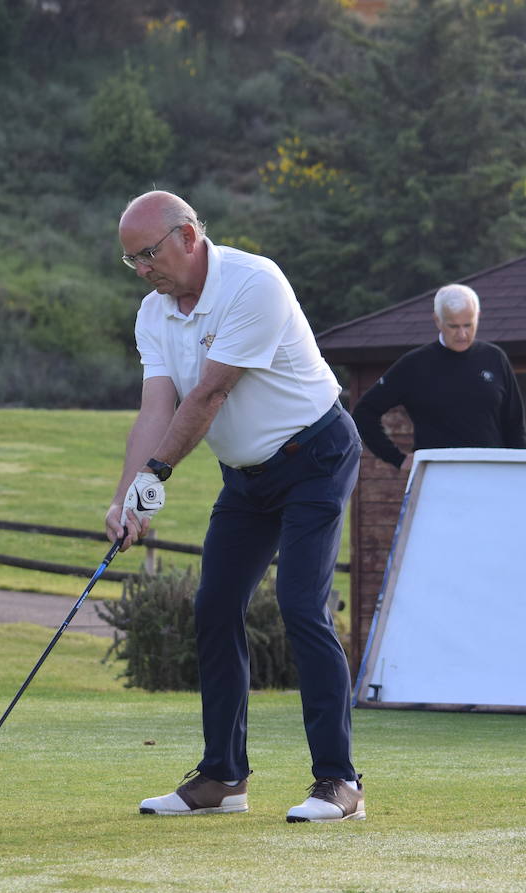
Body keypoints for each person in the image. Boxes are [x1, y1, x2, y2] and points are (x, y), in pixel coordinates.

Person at [105, 190, 365, 823]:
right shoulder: (154, 314)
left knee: (302, 605)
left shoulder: (255, 283)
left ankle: (340, 783)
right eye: (130, 260)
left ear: (188, 237)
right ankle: (223, 777)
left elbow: (212, 394)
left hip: (316, 456)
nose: (142, 269)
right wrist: (124, 498)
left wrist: (156, 477)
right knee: (215, 607)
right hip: (247, 477)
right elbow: (158, 408)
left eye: (148, 254)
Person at [351, 284, 526, 472]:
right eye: (453, 326)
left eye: (468, 325)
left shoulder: (495, 358)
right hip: (436, 478)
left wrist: (519, 470)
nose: (462, 334)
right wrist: (396, 458)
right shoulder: (414, 365)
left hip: (491, 476)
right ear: (437, 321)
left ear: (478, 317)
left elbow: (514, 423)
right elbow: (364, 412)